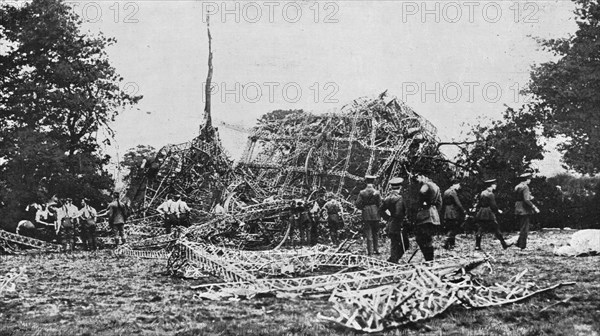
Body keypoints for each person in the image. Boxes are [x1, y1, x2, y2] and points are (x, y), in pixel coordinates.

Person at [474, 179, 511, 250]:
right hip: (489, 212)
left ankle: (477, 245)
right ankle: (504, 244)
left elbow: (480, 203)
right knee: (496, 228)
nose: (495, 186)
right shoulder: (490, 194)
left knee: (480, 228)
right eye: (494, 185)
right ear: (491, 185)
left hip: (482, 212)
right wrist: (498, 211)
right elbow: (493, 205)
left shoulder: (483, 192)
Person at [380, 177, 409, 263]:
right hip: (398, 224)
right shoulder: (399, 198)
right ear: (400, 187)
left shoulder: (387, 198)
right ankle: (394, 260)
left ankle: (393, 259)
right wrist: (402, 222)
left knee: (394, 243)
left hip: (391, 224)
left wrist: (388, 218)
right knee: (405, 244)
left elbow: (381, 211)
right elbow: (398, 213)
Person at [414, 175, 442, 261]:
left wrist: (422, 207)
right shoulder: (436, 186)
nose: (417, 180)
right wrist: (435, 212)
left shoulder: (425, 186)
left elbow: (420, 198)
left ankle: (429, 259)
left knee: (421, 238)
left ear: (423, 177)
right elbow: (440, 203)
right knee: (427, 238)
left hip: (425, 214)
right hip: (433, 214)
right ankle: (429, 260)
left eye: (417, 177)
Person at [355, 175, 383, 256]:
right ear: (373, 182)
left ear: (366, 182)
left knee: (368, 233)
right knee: (376, 232)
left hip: (366, 214)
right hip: (375, 213)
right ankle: (376, 249)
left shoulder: (362, 192)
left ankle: (370, 252)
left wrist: (363, 208)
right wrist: (377, 210)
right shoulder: (377, 192)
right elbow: (380, 204)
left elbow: (357, 203)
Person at [514, 173, 540, 249]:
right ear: (527, 179)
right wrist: (534, 207)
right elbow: (526, 200)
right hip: (524, 208)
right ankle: (522, 246)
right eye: (529, 179)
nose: (530, 181)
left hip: (517, 207)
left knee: (522, 226)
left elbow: (519, 197)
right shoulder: (525, 187)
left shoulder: (517, 186)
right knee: (525, 228)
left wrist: (529, 196)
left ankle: (519, 243)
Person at [442, 179, 465, 250]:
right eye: (458, 185)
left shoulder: (446, 191)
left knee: (450, 227)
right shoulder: (453, 192)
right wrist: (463, 211)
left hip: (447, 211)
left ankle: (451, 244)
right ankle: (446, 241)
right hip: (453, 212)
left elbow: (443, 202)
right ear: (454, 185)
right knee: (454, 228)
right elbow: (458, 203)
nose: (459, 187)